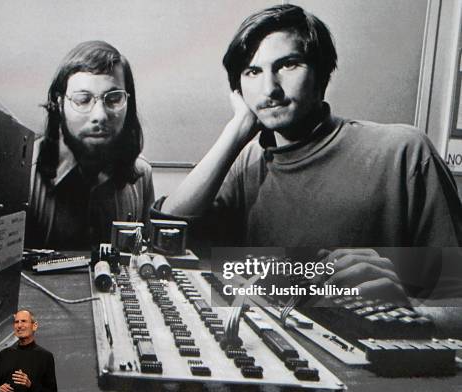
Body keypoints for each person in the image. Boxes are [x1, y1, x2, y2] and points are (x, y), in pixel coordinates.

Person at [155, 5, 462, 312]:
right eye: (252, 72)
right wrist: (236, 131)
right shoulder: (246, 162)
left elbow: (456, 304)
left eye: (288, 65)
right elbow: (166, 234)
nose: (269, 89)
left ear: (321, 72)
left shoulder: (403, 152)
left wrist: (404, 307)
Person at [26, 40, 154, 249]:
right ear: (59, 105)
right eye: (83, 99)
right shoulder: (22, 175)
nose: (100, 116)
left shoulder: (141, 175)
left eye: (113, 99)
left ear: (128, 104)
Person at [0, 309, 58, 392]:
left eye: (24, 321)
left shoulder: (45, 357)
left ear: (34, 326)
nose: (19, 325)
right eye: (16, 322)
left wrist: (30, 385)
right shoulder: (4, 354)